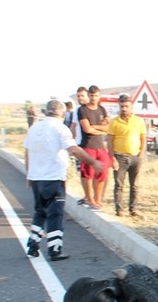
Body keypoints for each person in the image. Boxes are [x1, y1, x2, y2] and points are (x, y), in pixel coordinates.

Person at [24, 99, 102, 261]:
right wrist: (93, 162)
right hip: (54, 178)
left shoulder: (34, 128)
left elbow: (27, 152)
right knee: (56, 213)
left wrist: (29, 175)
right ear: (63, 113)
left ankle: (33, 243)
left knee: (40, 211)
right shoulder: (60, 128)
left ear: (46, 111)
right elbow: (74, 150)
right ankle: (55, 249)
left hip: (36, 177)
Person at [105, 94, 145, 217]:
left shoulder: (138, 121)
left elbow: (143, 137)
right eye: (122, 106)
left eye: (126, 106)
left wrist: (141, 154)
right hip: (119, 157)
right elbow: (109, 141)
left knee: (135, 185)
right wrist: (112, 158)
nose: (124, 109)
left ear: (131, 107)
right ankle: (119, 210)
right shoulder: (114, 122)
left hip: (135, 157)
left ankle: (133, 209)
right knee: (119, 185)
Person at [77, 85, 111, 209]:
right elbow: (87, 129)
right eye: (91, 95)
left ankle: (98, 199)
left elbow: (108, 127)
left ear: (99, 96)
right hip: (88, 146)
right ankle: (90, 199)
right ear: (89, 96)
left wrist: (95, 127)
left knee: (103, 171)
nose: (94, 98)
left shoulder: (102, 109)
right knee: (88, 173)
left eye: (96, 95)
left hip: (100, 146)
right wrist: (100, 129)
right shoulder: (83, 110)